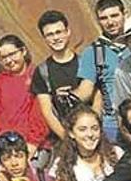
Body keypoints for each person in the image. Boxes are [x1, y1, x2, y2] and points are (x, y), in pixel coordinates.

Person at [32, 10, 95, 141]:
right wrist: (68, 139)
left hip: (93, 133)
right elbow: (47, 112)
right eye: (50, 34)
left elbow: (97, 99)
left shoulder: (86, 63)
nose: (55, 38)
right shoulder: (42, 71)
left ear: (68, 32)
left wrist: (95, 131)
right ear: (44, 38)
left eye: (59, 32)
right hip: (65, 136)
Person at [77, 0, 131, 143]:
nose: (110, 22)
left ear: (125, 14)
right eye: (104, 18)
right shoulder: (93, 52)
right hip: (112, 125)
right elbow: (85, 91)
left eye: (114, 15)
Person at [0, 35, 50, 158]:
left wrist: (32, 144)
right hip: (8, 147)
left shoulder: (37, 74)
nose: (9, 60)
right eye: (4, 57)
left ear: (23, 51)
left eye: (12, 54)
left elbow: (41, 113)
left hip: (37, 146)